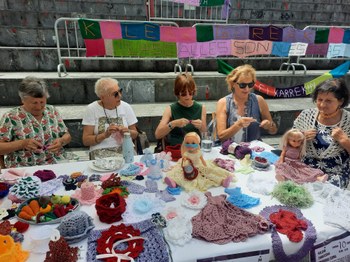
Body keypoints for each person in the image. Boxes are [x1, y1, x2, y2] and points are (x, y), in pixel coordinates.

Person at [0, 76, 71, 168]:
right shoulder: (11, 117)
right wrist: (22, 143)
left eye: (42, 102)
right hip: (23, 168)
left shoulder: (52, 110)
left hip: (55, 164)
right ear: (22, 100)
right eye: (34, 103)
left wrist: (61, 141)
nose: (38, 107)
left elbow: (67, 135)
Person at [293, 78, 350, 189]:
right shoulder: (306, 115)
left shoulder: (348, 121)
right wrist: (301, 137)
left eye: (328, 101)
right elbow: (289, 143)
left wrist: (345, 141)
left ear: (341, 101)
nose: (322, 105)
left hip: (335, 174)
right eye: (320, 99)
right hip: (304, 167)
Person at [216, 64, 277, 143]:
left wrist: (270, 125)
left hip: (253, 149)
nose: (247, 89)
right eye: (242, 85)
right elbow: (221, 136)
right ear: (233, 84)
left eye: (250, 84)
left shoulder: (259, 100)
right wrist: (238, 125)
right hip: (229, 149)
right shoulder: (223, 102)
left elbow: (273, 131)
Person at [82, 78, 138, 159]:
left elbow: (135, 134)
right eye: (115, 94)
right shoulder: (92, 109)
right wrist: (105, 135)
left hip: (125, 148)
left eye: (120, 91)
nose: (120, 96)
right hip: (100, 151)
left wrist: (127, 132)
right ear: (102, 97)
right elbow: (86, 140)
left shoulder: (126, 107)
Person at [164, 132, 233, 192]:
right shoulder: (186, 153)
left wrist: (205, 164)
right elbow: (184, 159)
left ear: (198, 143)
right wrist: (185, 161)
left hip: (198, 165)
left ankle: (222, 181)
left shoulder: (199, 153)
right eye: (187, 143)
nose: (190, 145)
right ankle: (173, 182)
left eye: (193, 143)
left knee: (210, 173)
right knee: (181, 175)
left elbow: (202, 160)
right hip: (188, 167)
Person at [155, 73, 207, 147]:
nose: (188, 96)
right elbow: (158, 134)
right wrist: (173, 124)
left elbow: (205, 134)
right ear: (177, 93)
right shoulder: (170, 109)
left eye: (190, 93)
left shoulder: (201, 108)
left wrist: (201, 126)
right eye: (183, 94)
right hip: (177, 149)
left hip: (194, 149)